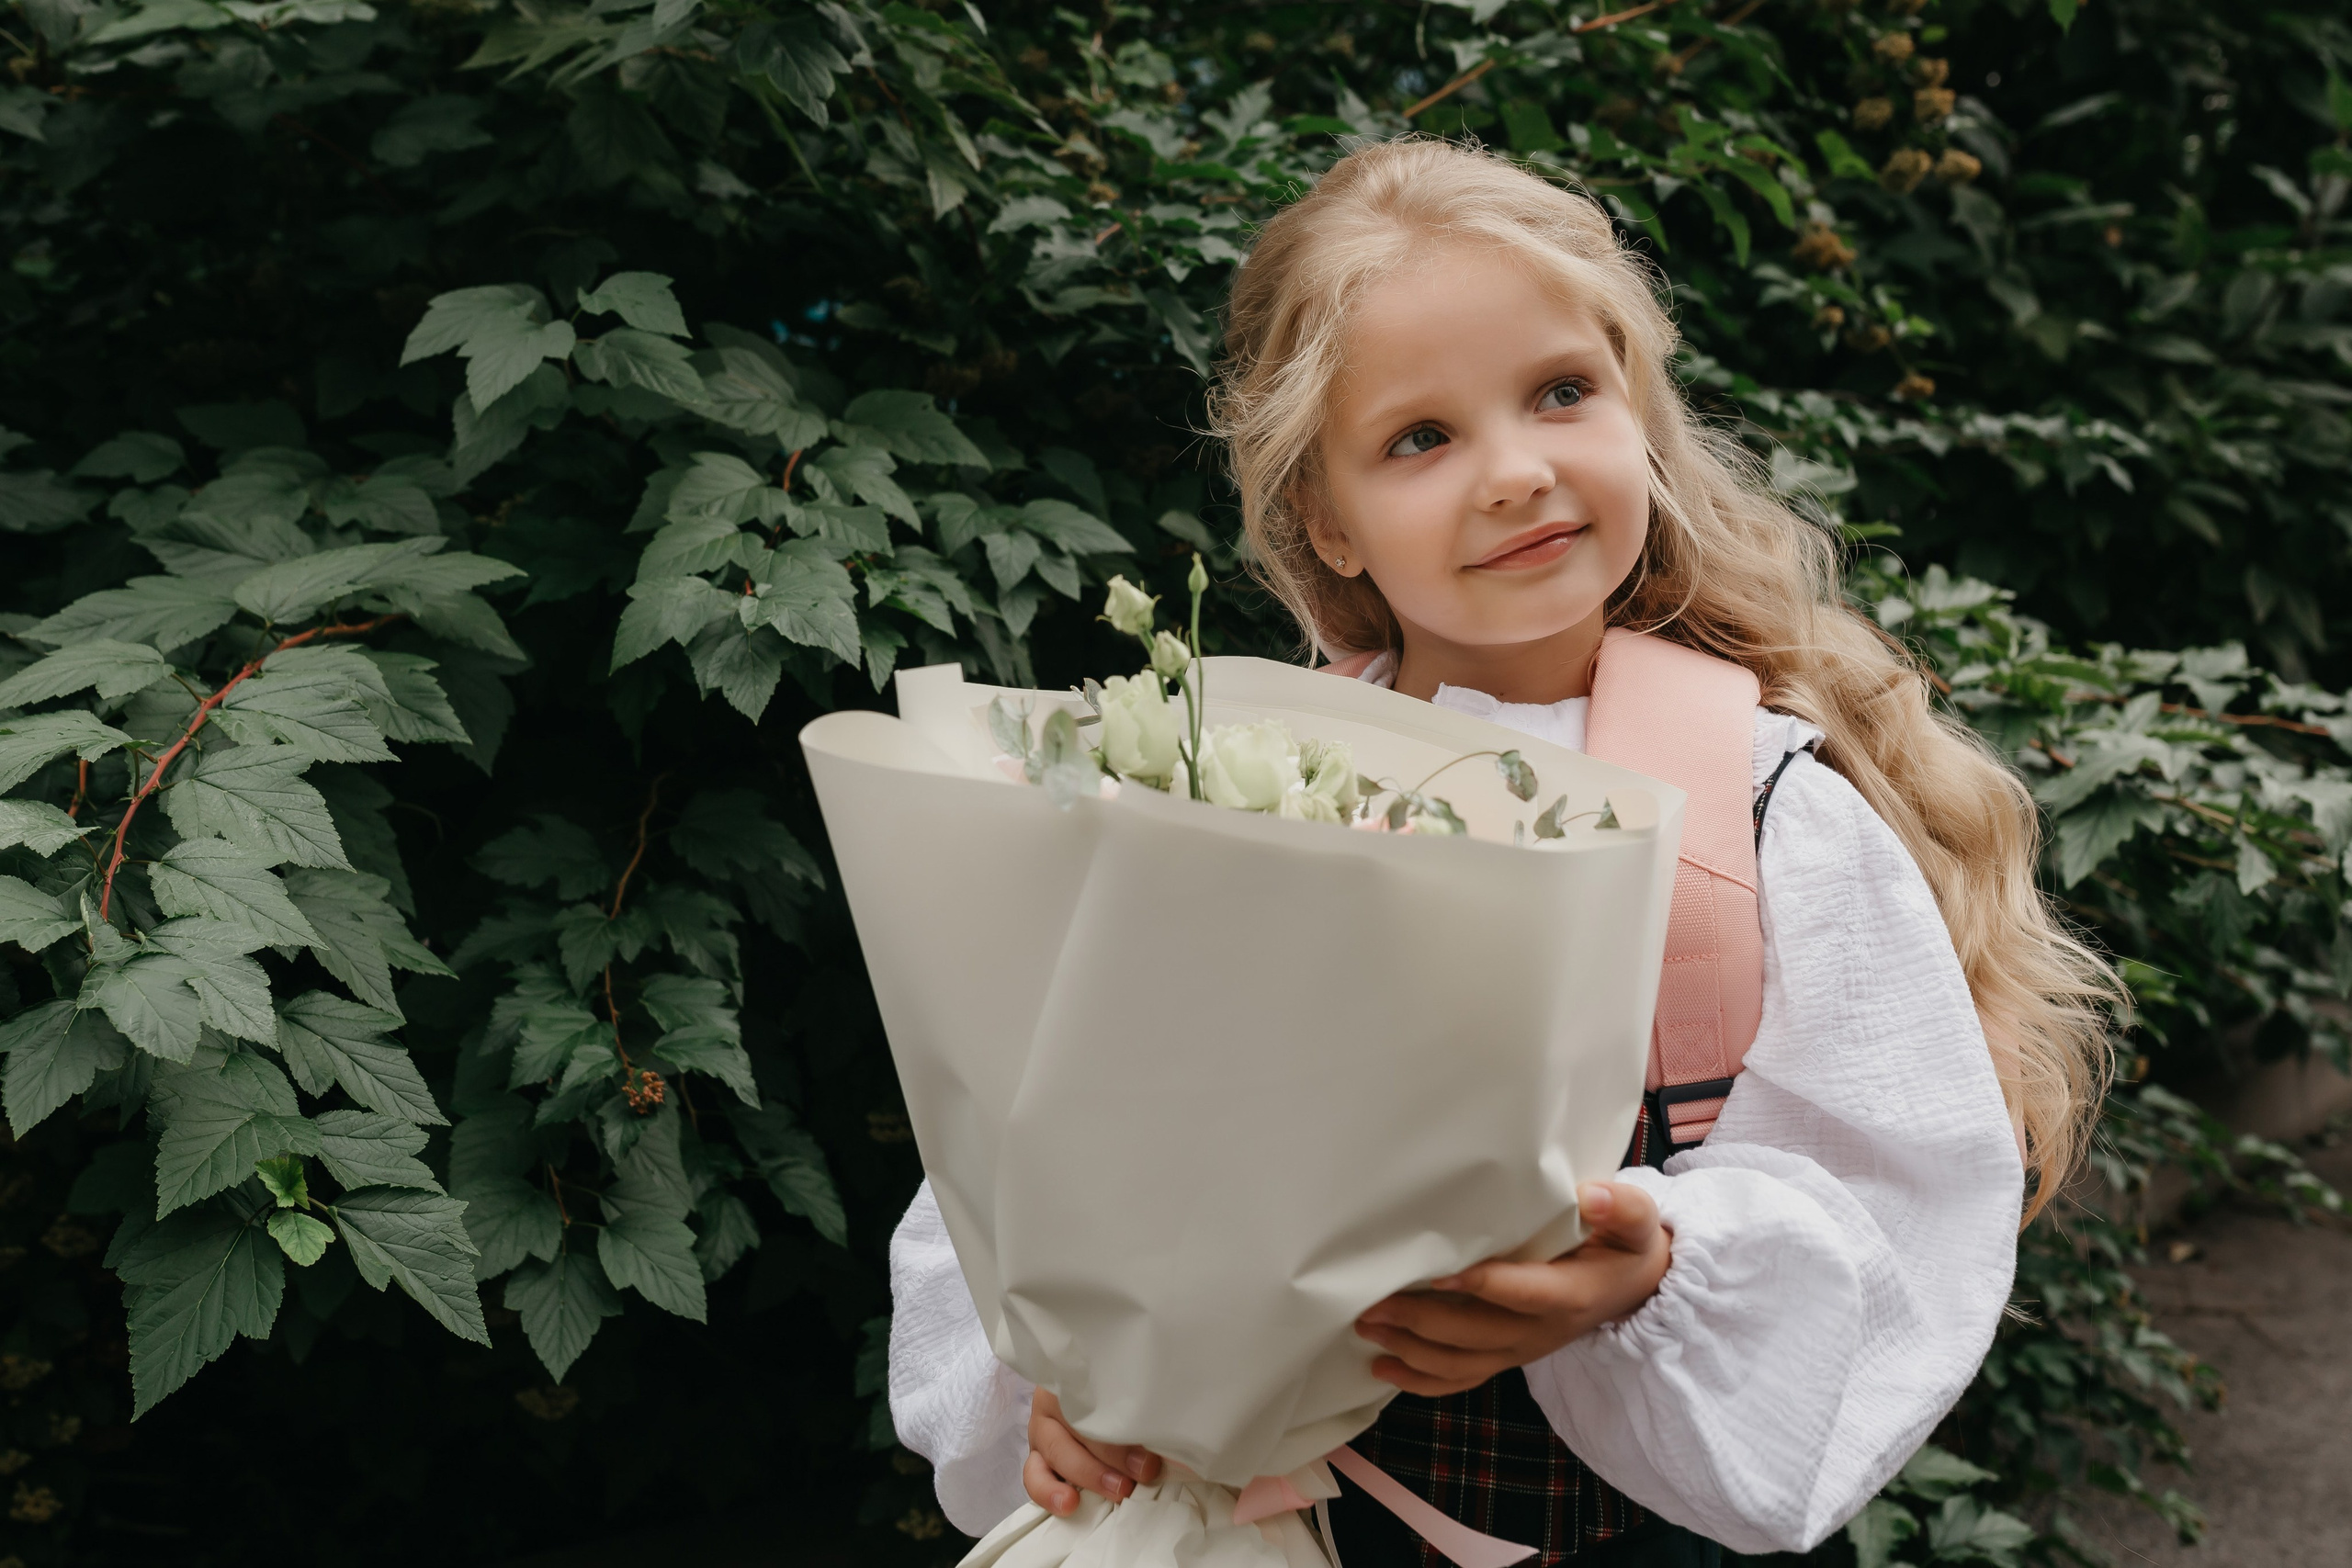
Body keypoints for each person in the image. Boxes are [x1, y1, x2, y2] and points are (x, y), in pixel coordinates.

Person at [888, 138, 2118, 1564]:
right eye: (1421, 438)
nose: (1517, 473)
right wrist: (1068, 1383)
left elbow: (1901, 1210)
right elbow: (1030, 1172)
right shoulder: (1219, 791)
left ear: (1637, 413)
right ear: (1323, 522)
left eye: (1560, 393)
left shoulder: (1769, 810)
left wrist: (1659, 1267)